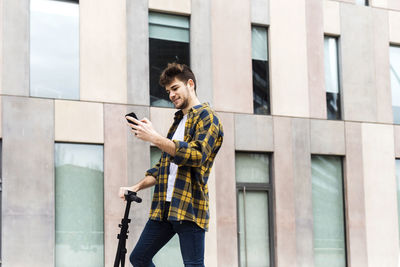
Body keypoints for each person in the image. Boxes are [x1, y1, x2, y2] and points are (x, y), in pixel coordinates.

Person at [119, 63, 224, 267]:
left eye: (175, 88)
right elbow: (163, 168)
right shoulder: (178, 122)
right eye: (168, 91)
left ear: (190, 84)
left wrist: (155, 138)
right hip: (164, 208)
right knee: (138, 258)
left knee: (193, 265)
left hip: (189, 207)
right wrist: (136, 186)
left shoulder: (208, 117)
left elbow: (197, 155)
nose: (171, 95)